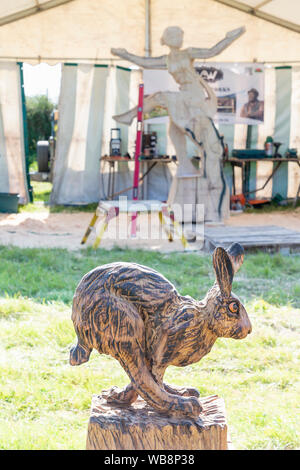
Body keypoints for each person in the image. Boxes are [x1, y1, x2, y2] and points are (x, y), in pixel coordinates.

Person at [111, 26, 245, 181]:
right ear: (167, 40)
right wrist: (125, 54)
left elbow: (212, 51)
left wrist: (229, 38)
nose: (180, 38)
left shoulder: (188, 52)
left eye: (181, 35)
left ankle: (130, 116)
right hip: (184, 93)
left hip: (194, 95)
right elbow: (144, 62)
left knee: (160, 96)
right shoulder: (166, 60)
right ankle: (185, 165)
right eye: (175, 36)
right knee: (174, 131)